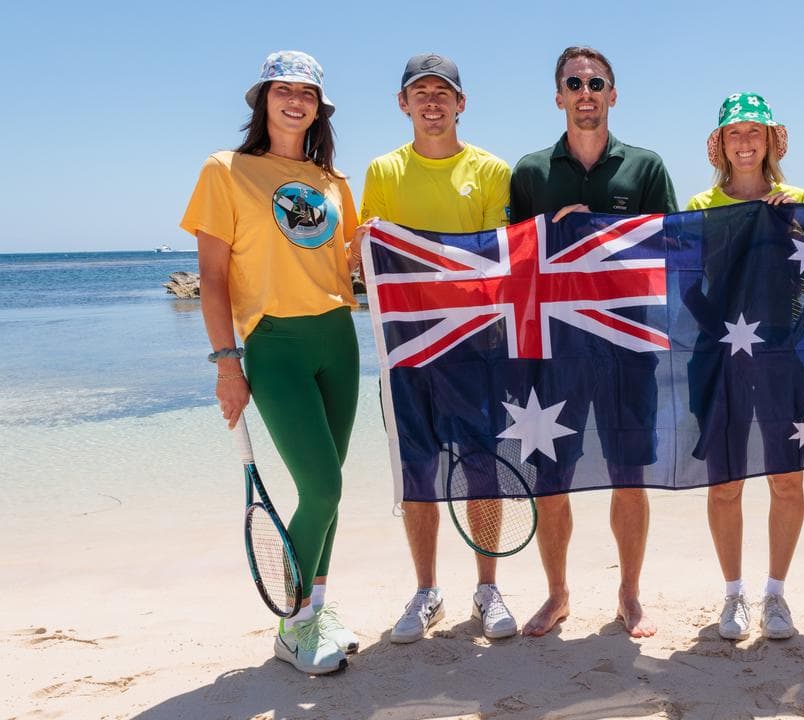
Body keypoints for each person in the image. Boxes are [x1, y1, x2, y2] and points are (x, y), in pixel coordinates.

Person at [180, 50, 361, 675]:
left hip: (338, 340)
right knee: (322, 487)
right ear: (262, 100)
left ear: (319, 109)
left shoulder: (333, 181)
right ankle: (292, 624)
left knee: (330, 491)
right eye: (283, 89)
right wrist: (227, 365)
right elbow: (211, 276)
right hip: (275, 344)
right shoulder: (225, 170)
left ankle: (317, 608)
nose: (295, 100)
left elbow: (349, 263)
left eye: (306, 93)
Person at [509, 46, 678, 638]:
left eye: (596, 83)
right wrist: (552, 237)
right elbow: (510, 263)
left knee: (629, 476)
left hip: (627, 345)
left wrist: (606, 236)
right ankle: (557, 595)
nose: (586, 93)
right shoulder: (531, 171)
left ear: (613, 94)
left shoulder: (646, 167)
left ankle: (629, 595)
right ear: (559, 96)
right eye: (575, 84)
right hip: (554, 350)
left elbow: (672, 248)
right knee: (550, 479)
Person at [359, 53, 518, 643]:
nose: (432, 103)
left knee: (482, 467)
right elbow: (373, 263)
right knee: (418, 470)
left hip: (477, 344)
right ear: (403, 104)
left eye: (442, 93)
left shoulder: (492, 170)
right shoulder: (382, 171)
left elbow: (494, 258)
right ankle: (426, 591)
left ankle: (487, 588)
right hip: (406, 347)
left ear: (461, 103)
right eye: (420, 93)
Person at [684, 93, 804, 641]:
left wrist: (794, 225)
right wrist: (721, 331)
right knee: (725, 483)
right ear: (720, 143)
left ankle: (775, 594)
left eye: (754, 132)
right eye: (734, 132)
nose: (744, 142)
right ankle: (733, 593)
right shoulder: (700, 203)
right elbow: (684, 284)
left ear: (769, 141)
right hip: (720, 359)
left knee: (786, 479)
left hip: (784, 357)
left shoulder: (798, 200)